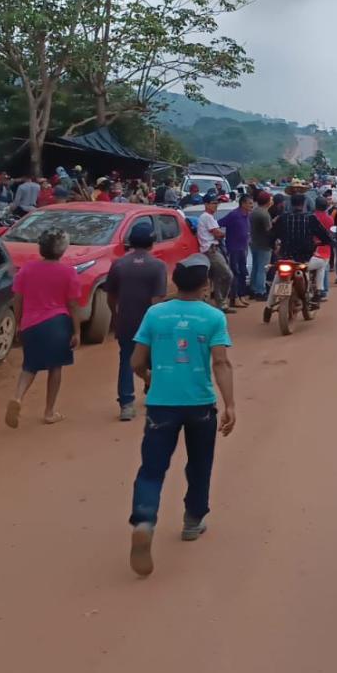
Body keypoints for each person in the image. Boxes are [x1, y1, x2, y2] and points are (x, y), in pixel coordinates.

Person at [126, 255, 236, 578]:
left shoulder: (155, 314)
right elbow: (221, 363)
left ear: (176, 283)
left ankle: (144, 520)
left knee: (152, 469)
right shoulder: (213, 317)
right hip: (200, 405)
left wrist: (149, 379)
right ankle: (192, 520)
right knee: (200, 464)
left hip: (161, 405)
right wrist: (230, 404)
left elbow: (136, 360)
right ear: (206, 285)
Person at [5, 227, 79, 429]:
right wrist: (77, 331)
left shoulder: (27, 269)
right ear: (63, 249)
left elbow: (17, 299)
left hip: (31, 324)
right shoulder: (68, 272)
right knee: (56, 367)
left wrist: (19, 324)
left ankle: (18, 397)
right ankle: (49, 411)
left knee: (29, 366)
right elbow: (73, 304)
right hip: (57, 324)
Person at [104, 220, 167, 421]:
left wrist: (115, 316)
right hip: (150, 323)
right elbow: (158, 300)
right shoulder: (157, 266)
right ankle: (157, 395)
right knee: (156, 360)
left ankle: (126, 405)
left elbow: (110, 296)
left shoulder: (119, 264)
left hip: (126, 321)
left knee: (126, 361)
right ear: (152, 243)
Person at [269, 191, 334, 305]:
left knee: (277, 277)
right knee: (322, 264)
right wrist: (326, 242)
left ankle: (269, 306)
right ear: (304, 204)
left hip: (286, 257)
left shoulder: (283, 218)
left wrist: (274, 246)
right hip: (305, 259)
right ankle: (318, 291)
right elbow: (324, 235)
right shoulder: (310, 218)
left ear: (290, 203)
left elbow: (271, 236)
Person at [195, 197, 235, 310]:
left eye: (217, 203)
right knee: (227, 275)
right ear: (206, 204)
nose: (215, 205)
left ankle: (220, 304)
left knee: (217, 277)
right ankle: (221, 303)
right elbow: (217, 233)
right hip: (210, 250)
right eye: (213, 203)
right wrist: (226, 234)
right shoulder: (206, 217)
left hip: (211, 250)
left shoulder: (209, 217)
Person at [220, 195, 253, 307]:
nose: (251, 205)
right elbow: (219, 223)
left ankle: (242, 295)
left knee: (243, 272)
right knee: (235, 273)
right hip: (233, 248)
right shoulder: (234, 215)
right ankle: (234, 298)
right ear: (243, 204)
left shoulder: (247, 216)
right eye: (249, 203)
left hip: (243, 248)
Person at [249, 191, 274, 300]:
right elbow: (269, 231)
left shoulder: (254, 212)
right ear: (267, 201)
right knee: (263, 269)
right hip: (264, 244)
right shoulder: (264, 214)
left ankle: (253, 289)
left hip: (254, 242)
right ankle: (261, 291)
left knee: (256, 267)